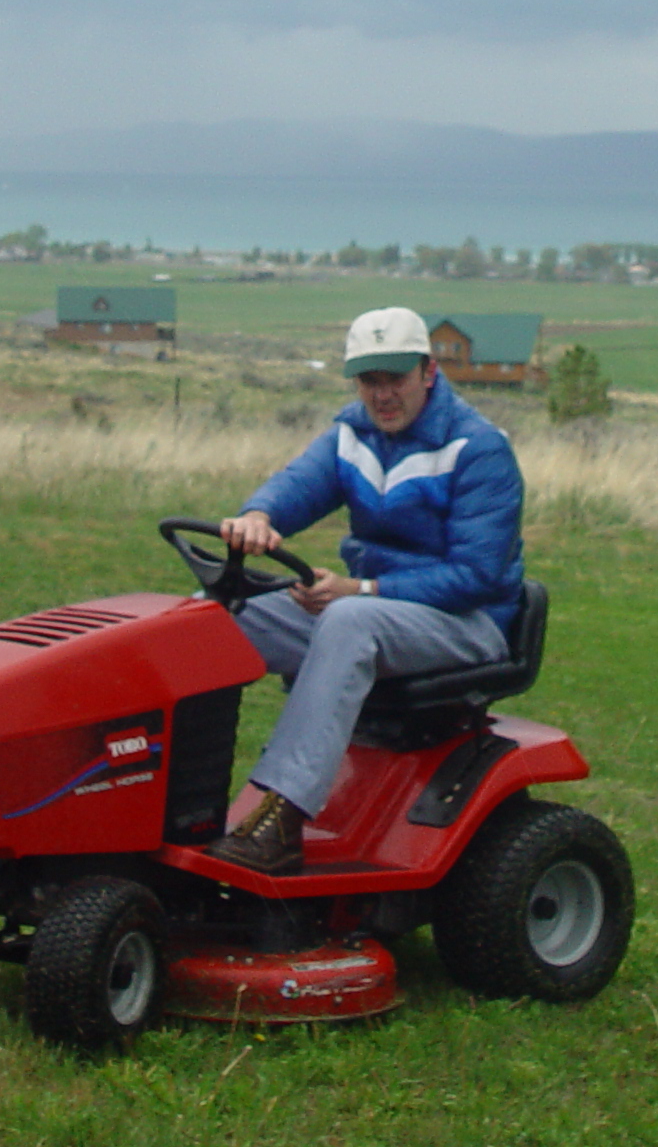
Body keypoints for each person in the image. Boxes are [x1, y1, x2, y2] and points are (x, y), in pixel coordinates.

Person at [207, 306, 525, 873]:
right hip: (378, 607)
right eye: (370, 381)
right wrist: (257, 514)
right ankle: (177, 800)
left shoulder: (478, 450)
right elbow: (298, 484)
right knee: (214, 622)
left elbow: (477, 575)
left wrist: (362, 589)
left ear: (428, 371)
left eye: (395, 379)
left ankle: (281, 817)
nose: (382, 395)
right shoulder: (352, 435)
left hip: (467, 622)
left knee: (348, 621)